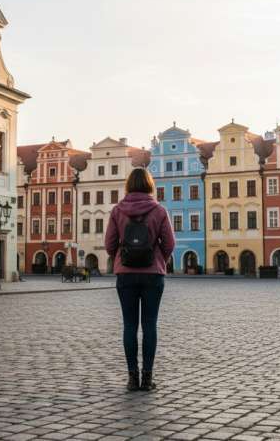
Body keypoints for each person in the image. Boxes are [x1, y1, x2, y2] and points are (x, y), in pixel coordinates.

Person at [105, 167, 175, 392]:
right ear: (149, 185)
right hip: (153, 275)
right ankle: (147, 378)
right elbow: (170, 243)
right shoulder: (159, 210)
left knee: (129, 325)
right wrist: (158, 259)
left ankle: (132, 378)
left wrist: (121, 258)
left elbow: (109, 244)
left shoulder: (118, 210)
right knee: (149, 325)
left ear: (128, 185)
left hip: (125, 274)